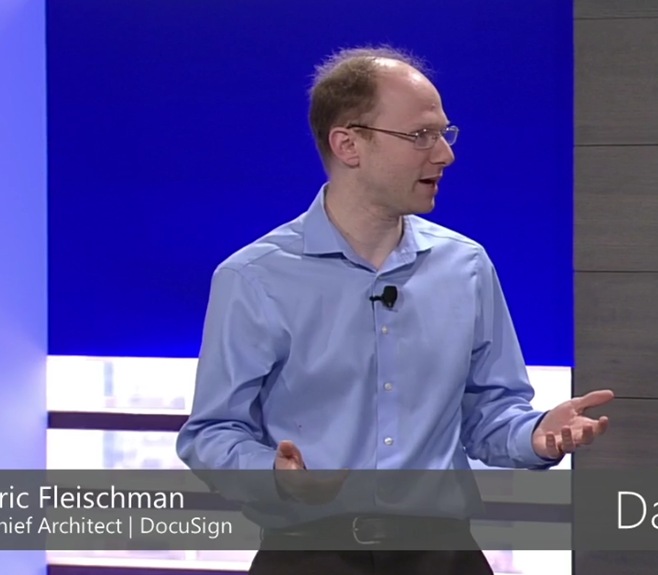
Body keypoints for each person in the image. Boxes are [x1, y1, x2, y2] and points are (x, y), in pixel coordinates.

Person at [175, 45, 614, 575]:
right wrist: (272, 474)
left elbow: (489, 416)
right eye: (420, 135)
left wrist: (537, 436)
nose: (445, 155)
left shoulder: (465, 266)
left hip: (443, 555)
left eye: (444, 134)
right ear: (349, 144)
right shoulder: (255, 277)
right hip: (310, 555)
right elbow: (211, 433)